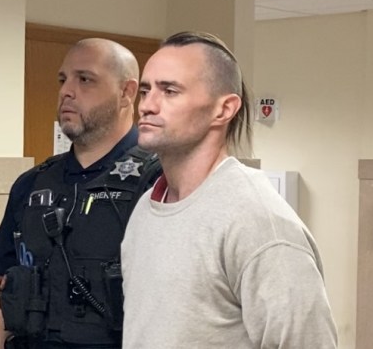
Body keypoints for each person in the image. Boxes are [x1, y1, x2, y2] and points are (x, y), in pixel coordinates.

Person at [121, 31, 338, 348]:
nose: (148, 106)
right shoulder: (147, 207)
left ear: (223, 110)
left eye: (169, 91)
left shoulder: (258, 221)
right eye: (145, 90)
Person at [0, 38, 161, 349]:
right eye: (63, 80)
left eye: (85, 79)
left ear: (127, 92)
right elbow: (1, 282)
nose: (66, 91)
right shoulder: (32, 184)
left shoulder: (157, 182)